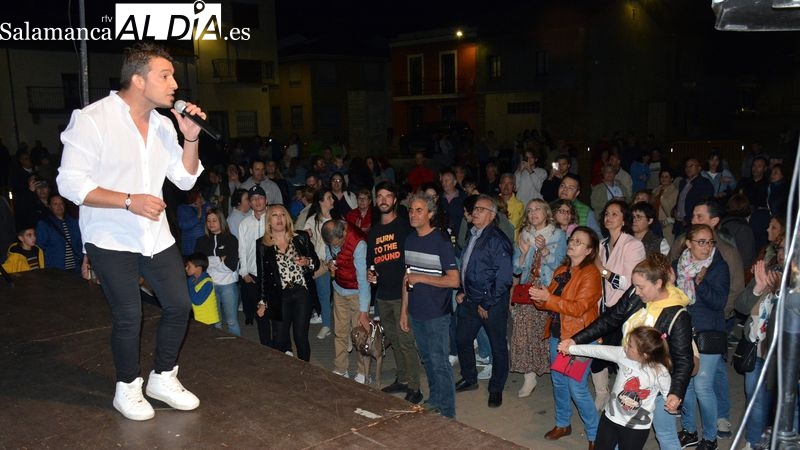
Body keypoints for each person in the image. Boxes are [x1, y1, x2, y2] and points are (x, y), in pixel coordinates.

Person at [57, 43, 202, 421]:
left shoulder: (163, 124)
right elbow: (71, 184)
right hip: (110, 236)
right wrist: (127, 201)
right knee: (128, 314)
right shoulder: (92, 120)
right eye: (165, 75)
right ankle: (127, 387)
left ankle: (163, 377)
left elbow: (184, 179)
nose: (174, 83)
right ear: (138, 80)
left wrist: (191, 137)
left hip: (155, 234)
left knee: (178, 305)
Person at [563, 253, 693, 450]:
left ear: (658, 283)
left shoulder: (677, 315)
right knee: (617, 431)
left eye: (641, 286)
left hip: (657, 387)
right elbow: (611, 319)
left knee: (665, 434)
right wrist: (576, 339)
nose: (636, 291)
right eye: (635, 285)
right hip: (630, 374)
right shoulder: (635, 294)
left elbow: (684, 360)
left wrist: (674, 393)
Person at [528, 226, 601, 449]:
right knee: (559, 382)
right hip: (559, 336)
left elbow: (579, 308)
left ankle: (596, 435)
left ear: (589, 250)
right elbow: (549, 304)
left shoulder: (591, 274)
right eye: (572, 239)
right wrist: (539, 297)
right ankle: (563, 424)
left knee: (576, 386)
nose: (572, 243)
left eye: (579, 242)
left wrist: (547, 298)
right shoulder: (562, 270)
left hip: (580, 340)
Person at [399, 192, 460, 418]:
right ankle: (435, 400)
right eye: (411, 210)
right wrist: (404, 311)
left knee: (440, 364)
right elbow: (407, 279)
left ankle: (448, 414)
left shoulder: (441, 240)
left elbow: (454, 280)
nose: (413, 214)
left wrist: (422, 278)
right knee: (427, 361)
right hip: (416, 312)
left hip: (437, 315)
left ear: (430, 214)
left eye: (419, 210)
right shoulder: (410, 239)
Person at [565, 326, 672, 450]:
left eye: (630, 346)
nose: (626, 346)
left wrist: (672, 403)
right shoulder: (623, 355)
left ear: (645, 354)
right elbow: (597, 351)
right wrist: (571, 348)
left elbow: (668, 394)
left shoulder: (660, 371)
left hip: (636, 427)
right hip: (610, 418)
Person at [674, 224, 730, 450]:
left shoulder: (717, 267)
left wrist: (700, 282)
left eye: (710, 242)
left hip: (709, 333)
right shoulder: (678, 265)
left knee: (703, 387)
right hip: (684, 331)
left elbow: (719, 302)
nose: (707, 247)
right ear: (688, 243)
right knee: (685, 384)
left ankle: (710, 437)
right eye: (701, 242)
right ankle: (689, 432)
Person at [454, 195, 513, 408]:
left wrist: (486, 302)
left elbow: (504, 277)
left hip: (491, 304)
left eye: (480, 209)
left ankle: (496, 388)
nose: (475, 212)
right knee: (462, 339)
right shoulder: (473, 235)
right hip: (470, 299)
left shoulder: (497, 240)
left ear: (492, 214)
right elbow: (468, 266)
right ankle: (470, 378)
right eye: (475, 208)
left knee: (497, 345)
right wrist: (462, 289)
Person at [366, 181, 423, 403]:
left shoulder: (404, 228)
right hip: (383, 296)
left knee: (406, 341)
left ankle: (415, 388)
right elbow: (372, 262)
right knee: (393, 339)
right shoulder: (373, 232)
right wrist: (371, 275)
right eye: (379, 196)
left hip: (403, 296)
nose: (383, 200)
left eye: (388, 196)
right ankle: (402, 378)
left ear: (395, 200)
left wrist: (408, 295)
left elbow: (412, 265)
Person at [593, 199, 646, 410]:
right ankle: (602, 393)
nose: (609, 217)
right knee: (598, 353)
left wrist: (601, 269)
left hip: (625, 309)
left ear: (624, 219)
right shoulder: (601, 244)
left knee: (624, 357)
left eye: (615, 213)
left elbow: (629, 282)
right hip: (603, 306)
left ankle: (621, 399)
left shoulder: (633, 245)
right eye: (607, 213)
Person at [510, 199, 566, 398]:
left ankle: (552, 373)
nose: (533, 213)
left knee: (545, 334)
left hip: (547, 289)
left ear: (546, 212)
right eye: (530, 210)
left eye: (538, 209)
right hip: (527, 289)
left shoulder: (557, 234)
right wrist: (524, 254)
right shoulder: (524, 235)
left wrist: (543, 250)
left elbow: (560, 264)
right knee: (524, 333)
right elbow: (516, 268)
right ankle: (529, 376)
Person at [256, 205, 319, 361]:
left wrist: (307, 262)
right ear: (269, 221)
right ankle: (283, 374)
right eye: (275, 215)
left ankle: (306, 370)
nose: (279, 218)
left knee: (300, 336)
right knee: (280, 338)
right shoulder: (262, 244)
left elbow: (315, 263)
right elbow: (263, 275)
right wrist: (262, 302)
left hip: (301, 292)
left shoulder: (301, 237)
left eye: (282, 215)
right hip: (279, 295)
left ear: (287, 218)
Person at [735, 254, 782, 449]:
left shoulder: (793, 282)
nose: (782, 253)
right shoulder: (767, 273)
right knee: (755, 398)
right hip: (758, 350)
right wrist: (758, 288)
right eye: (780, 248)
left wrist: (780, 292)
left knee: (788, 405)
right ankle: (753, 441)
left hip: (784, 356)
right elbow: (741, 307)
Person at [321, 219, 371, 383]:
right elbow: (329, 252)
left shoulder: (358, 242)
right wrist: (330, 262)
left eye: (338, 244)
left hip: (357, 292)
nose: (337, 248)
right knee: (340, 331)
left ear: (343, 233)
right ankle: (340, 368)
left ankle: (363, 373)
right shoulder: (332, 235)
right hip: (339, 288)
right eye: (332, 244)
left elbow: (364, 280)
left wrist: (364, 312)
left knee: (360, 334)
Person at [194, 208, 241, 337]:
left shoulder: (231, 239)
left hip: (228, 285)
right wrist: (219, 259)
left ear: (221, 221)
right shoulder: (201, 241)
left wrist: (209, 262)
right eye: (208, 221)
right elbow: (198, 265)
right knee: (216, 322)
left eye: (214, 220)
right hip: (209, 285)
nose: (211, 223)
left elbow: (231, 266)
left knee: (231, 321)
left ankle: (239, 351)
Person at [303, 189, 339, 339]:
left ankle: (343, 324)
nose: (332, 200)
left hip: (338, 262)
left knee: (340, 295)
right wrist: (307, 235)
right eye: (329, 197)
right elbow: (304, 241)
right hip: (322, 264)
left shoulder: (336, 219)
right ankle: (326, 325)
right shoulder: (312, 220)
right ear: (321, 201)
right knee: (323, 294)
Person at [238, 185, 269, 335]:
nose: (257, 201)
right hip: (253, 274)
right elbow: (242, 248)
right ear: (249, 203)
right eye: (253, 199)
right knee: (260, 312)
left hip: (271, 272)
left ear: (266, 200)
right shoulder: (244, 223)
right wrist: (244, 272)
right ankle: (266, 344)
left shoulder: (273, 219)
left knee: (275, 310)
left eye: (260, 197)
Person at [35, 194, 85, 275]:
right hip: (56, 269)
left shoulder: (73, 222)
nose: (59, 206)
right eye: (55, 204)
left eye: (61, 203)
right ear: (49, 206)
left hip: (75, 268)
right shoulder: (45, 224)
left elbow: (80, 243)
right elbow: (40, 247)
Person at [674, 158, 714, 237]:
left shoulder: (704, 183)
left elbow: (705, 204)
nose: (688, 169)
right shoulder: (683, 182)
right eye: (686, 166)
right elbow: (680, 200)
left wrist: (689, 219)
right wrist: (674, 210)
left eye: (691, 166)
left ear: (699, 168)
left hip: (693, 223)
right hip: (679, 223)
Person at [184, 252, 221, 327]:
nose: (186, 268)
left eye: (189, 266)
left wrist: (189, 284)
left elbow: (197, 300)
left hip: (207, 320)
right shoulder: (191, 279)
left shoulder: (207, 283)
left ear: (198, 268)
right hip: (198, 318)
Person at [177, 188, 210, 256]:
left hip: (203, 244)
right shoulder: (182, 208)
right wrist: (198, 216)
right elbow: (183, 225)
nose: (201, 198)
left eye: (201, 196)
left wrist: (205, 203)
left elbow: (213, 211)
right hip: (191, 246)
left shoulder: (202, 207)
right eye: (199, 196)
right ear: (193, 197)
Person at [652, 168, 678, 247]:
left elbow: (671, 211)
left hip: (667, 224)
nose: (663, 179)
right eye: (662, 176)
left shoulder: (675, 191)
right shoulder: (655, 190)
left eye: (666, 177)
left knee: (667, 248)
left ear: (672, 178)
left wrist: (662, 198)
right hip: (654, 223)